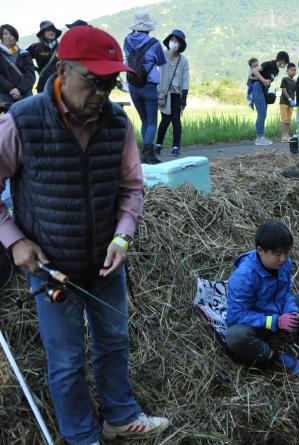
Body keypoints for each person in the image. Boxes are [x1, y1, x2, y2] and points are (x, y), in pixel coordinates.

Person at [0, 25, 169, 443]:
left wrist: (123, 237)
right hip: (49, 266)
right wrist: (14, 240)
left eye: (110, 83)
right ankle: (80, 436)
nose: (101, 94)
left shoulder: (117, 123)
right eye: (93, 82)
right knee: (67, 359)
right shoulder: (21, 121)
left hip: (105, 260)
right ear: (62, 69)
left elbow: (132, 187)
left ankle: (120, 416)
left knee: (114, 342)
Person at [225, 221, 299, 375]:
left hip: (279, 314)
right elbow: (236, 316)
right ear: (260, 250)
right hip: (257, 326)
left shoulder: (284, 264)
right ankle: (276, 357)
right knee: (235, 337)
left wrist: (292, 312)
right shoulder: (243, 277)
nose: (283, 258)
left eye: (287, 252)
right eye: (277, 253)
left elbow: (285, 294)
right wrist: (276, 321)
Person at [123, 11, 167, 164]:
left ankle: (145, 155)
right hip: (149, 86)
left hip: (133, 86)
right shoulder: (154, 43)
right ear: (149, 28)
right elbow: (161, 62)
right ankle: (147, 152)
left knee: (144, 121)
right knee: (152, 122)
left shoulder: (126, 40)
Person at [156, 29, 189, 158]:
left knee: (176, 120)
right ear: (169, 41)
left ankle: (176, 146)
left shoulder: (183, 60)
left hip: (176, 94)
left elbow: (185, 79)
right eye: (172, 40)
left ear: (180, 45)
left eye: (177, 41)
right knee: (165, 120)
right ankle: (158, 144)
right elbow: (155, 71)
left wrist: (184, 98)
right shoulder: (162, 56)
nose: (174, 43)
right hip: (164, 94)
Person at [251, 51, 290, 145]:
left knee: (263, 113)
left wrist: (269, 86)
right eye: (285, 62)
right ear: (282, 60)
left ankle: (261, 136)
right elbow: (254, 71)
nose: (284, 65)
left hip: (264, 90)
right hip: (258, 88)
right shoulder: (268, 64)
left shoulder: (276, 70)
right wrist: (264, 81)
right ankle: (259, 138)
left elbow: (268, 80)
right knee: (262, 113)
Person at [0, 24, 36, 104]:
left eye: (12, 34)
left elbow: (30, 74)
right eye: (5, 34)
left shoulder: (24, 53)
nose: (9, 36)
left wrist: (20, 89)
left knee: (30, 115)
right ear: (1, 37)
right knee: (10, 116)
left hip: (25, 93)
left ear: (16, 37)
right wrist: (11, 89)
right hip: (6, 94)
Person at [28, 21, 62, 93]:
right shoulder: (35, 48)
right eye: (48, 30)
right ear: (42, 33)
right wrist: (35, 69)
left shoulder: (62, 46)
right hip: (44, 85)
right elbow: (22, 59)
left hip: (62, 83)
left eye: (53, 30)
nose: (52, 32)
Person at [279, 62, 297, 142]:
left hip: (291, 104)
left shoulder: (295, 82)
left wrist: (294, 100)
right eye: (291, 70)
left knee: (288, 120)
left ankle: (287, 135)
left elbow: (295, 92)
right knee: (284, 119)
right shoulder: (285, 79)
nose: (293, 72)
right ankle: (283, 136)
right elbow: (284, 90)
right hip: (284, 102)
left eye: (294, 70)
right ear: (287, 70)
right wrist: (289, 99)